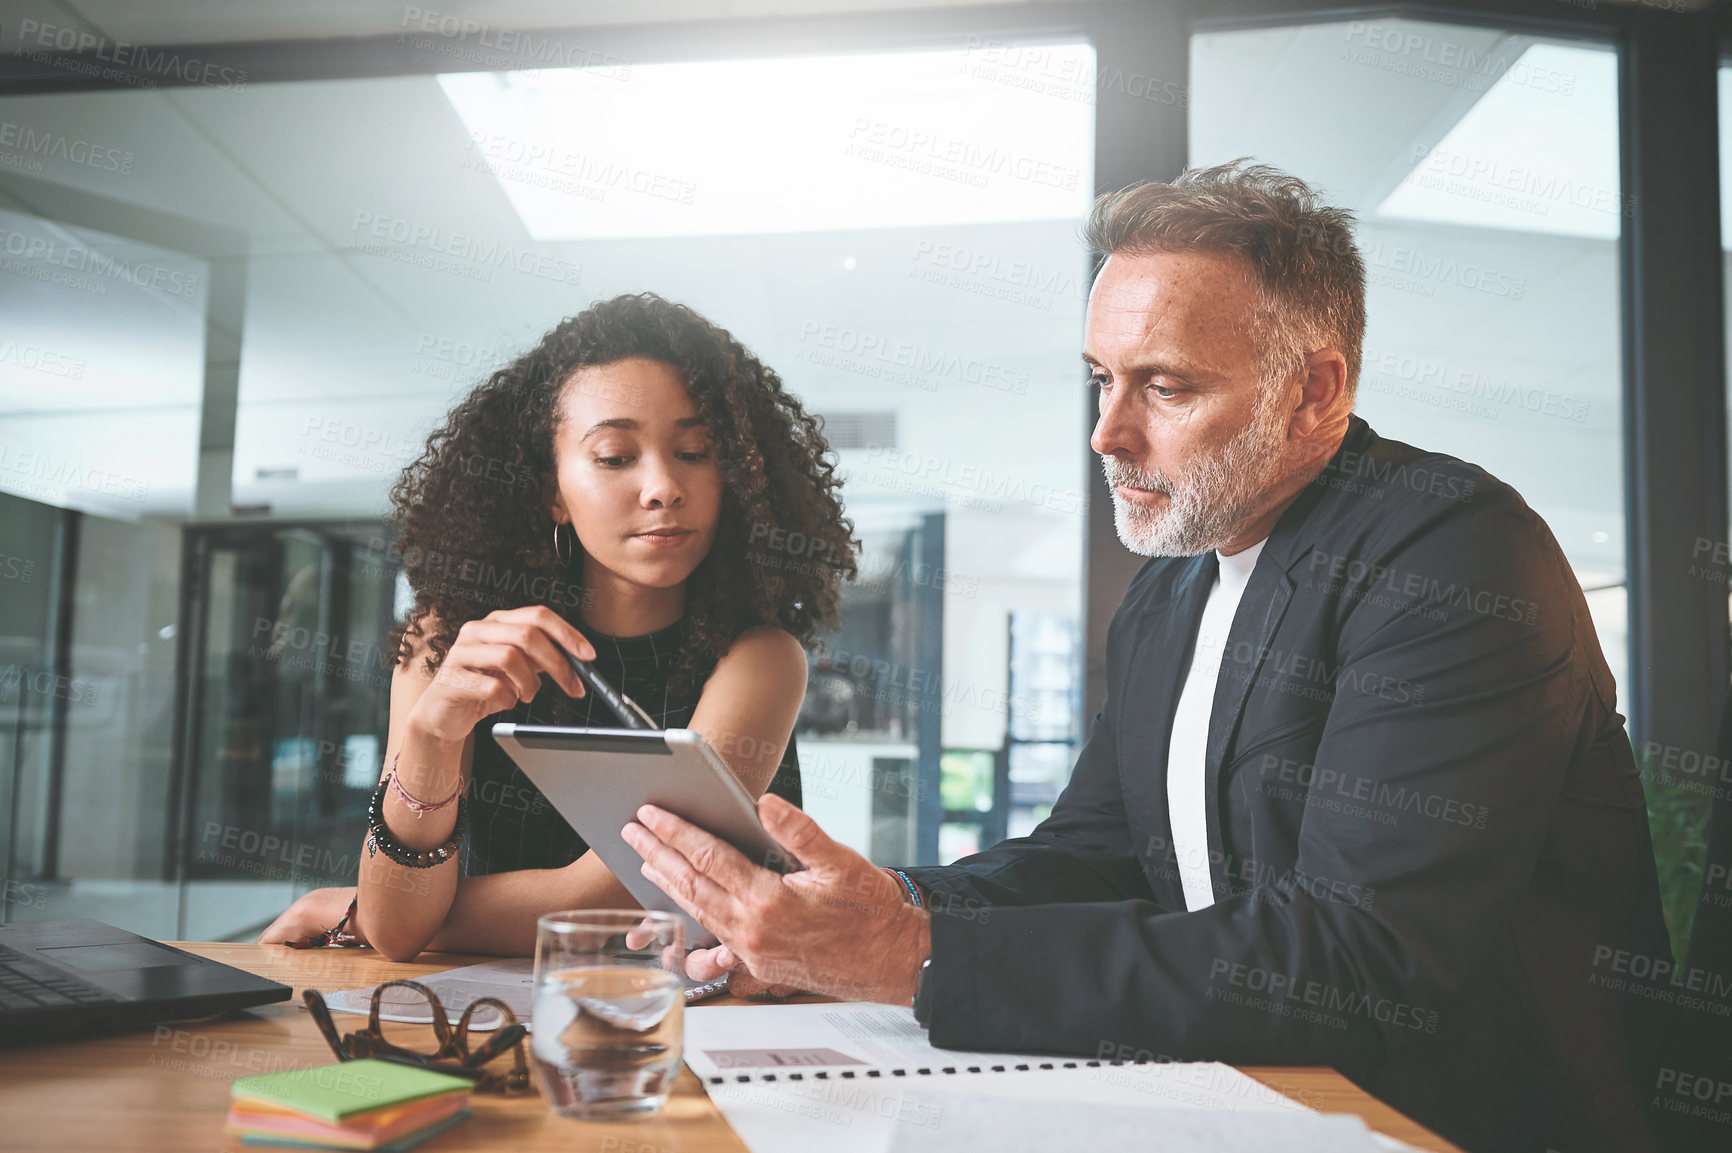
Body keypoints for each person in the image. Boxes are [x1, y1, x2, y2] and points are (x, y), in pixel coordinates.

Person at [620, 163, 1675, 1153]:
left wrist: (908, 957)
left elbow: (1360, 957)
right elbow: (1092, 855)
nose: (1105, 433)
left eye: (1164, 387)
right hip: (1241, 1100)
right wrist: (862, 916)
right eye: (1099, 378)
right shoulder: (1169, 591)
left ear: (1314, 391)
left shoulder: (1449, 551)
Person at [259, 293, 856, 960]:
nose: (663, 485)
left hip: (683, 1019)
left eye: (695, 450)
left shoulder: (759, 659)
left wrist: (365, 908)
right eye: (614, 456)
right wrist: (432, 733)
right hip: (469, 1014)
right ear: (551, 490)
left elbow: (622, 893)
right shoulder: (449, 641)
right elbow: (398, 933)